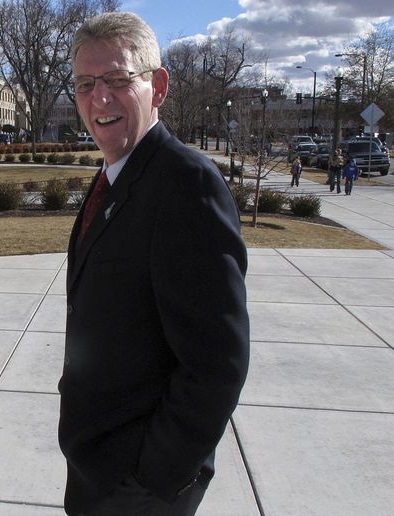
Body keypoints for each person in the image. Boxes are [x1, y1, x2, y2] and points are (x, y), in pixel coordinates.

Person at [59, 12, 250, 516]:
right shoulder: (116, 176)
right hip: (98, 463)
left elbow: (218, 362)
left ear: (158, 87)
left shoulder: (187, 184)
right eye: (85, 84)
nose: (99, 98)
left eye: (118, 79)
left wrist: (153, 477)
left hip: (139, 487)